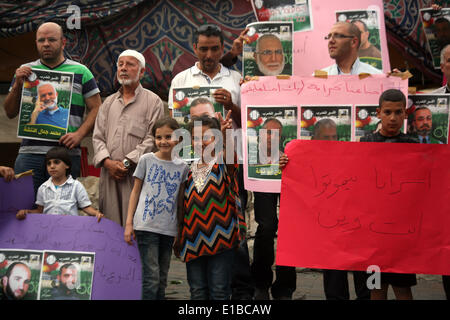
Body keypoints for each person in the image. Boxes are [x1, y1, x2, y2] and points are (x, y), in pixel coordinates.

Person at [3, 22, 102, 195]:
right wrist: (18, 84)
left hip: (66, 155)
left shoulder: (82, 71)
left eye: (51, 39)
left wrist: (79, 135)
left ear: (63, 42)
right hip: (30, 153)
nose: (46, 44)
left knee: (63, 212)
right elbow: (10, 112)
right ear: (36, 43)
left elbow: (97, 108)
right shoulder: (25, 71)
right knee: (25, 208)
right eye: (41, 40)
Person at [174, 114, 246, 300]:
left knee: (219, 291)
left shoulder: (222, 162)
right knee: (197, 292)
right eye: (196, 138)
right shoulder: (188, 169)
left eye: (208, 137)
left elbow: (230, 158)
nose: (202, 142)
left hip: (221, 239)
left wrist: (226, 136)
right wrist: (179, 235)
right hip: (192, 241)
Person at [93, 49, 164, 227]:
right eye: (120, 64)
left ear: (141, 72)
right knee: (110, 227)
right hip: (109, 175)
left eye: (130, 64)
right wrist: (108, 163)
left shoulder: (153, 101)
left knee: (136, 227)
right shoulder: (108, 103)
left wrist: (125, 163)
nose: (123, 68)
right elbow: (98, 137)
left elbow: (154, 139)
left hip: (136, 175)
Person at [360, 89, 418, 300]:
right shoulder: (365, 144)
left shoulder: (413, 147)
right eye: (387, 112)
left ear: (405, 114)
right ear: (378, 113)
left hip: (401, 235)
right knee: (375, 288)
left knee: (403, 289)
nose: (393, 118)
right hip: (372, 235)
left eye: (398, 112)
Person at [124, 117, 189, 300]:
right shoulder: (146, 160)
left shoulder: (183, 167)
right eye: (158, 137)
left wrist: (179, 230)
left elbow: (179, 201)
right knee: (151, 277)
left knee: (162, 278)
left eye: (168, 137)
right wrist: (129, 223)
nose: (163, 141)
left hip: (168, 229)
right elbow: (135, 192)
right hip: (145, 226)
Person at [311, 118, 371, 299]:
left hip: (359, 225)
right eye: (326, 137)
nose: (331, 141)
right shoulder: (305, 160)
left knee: (367, 272)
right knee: (334, 276)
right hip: (331, 228)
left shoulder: (350, 156)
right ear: (314, 139)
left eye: (334, 137)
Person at [252, 118, 297, 300]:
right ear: (260, 136)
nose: (271, 137)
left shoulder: (288, 155)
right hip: (263, 187)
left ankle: (285, 288)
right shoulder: (252, 156)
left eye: (276, 133)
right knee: (266, 228)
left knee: (288, 231)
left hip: (287, 188)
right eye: (268, 132)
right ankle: (261, 284)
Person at [168, 24, 242, 128]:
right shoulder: (180, 80)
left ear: (222, 48)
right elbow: (175, 126)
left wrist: (231, 106)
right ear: (195, 48)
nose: (209, 55)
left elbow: (246, 125)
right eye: (203, 49)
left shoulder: (236, 78)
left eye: (214, 49)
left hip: (230, 144)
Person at [15, 147, 104, 220]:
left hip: (70, 230)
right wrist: (27, 212)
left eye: (56, 162)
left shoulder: (76, 186)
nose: (52, 166)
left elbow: (86, 207)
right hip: (48, 230)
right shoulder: (43, 188)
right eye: (49, 163)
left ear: (67, 165)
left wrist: (96, 213)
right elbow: (40, 211)